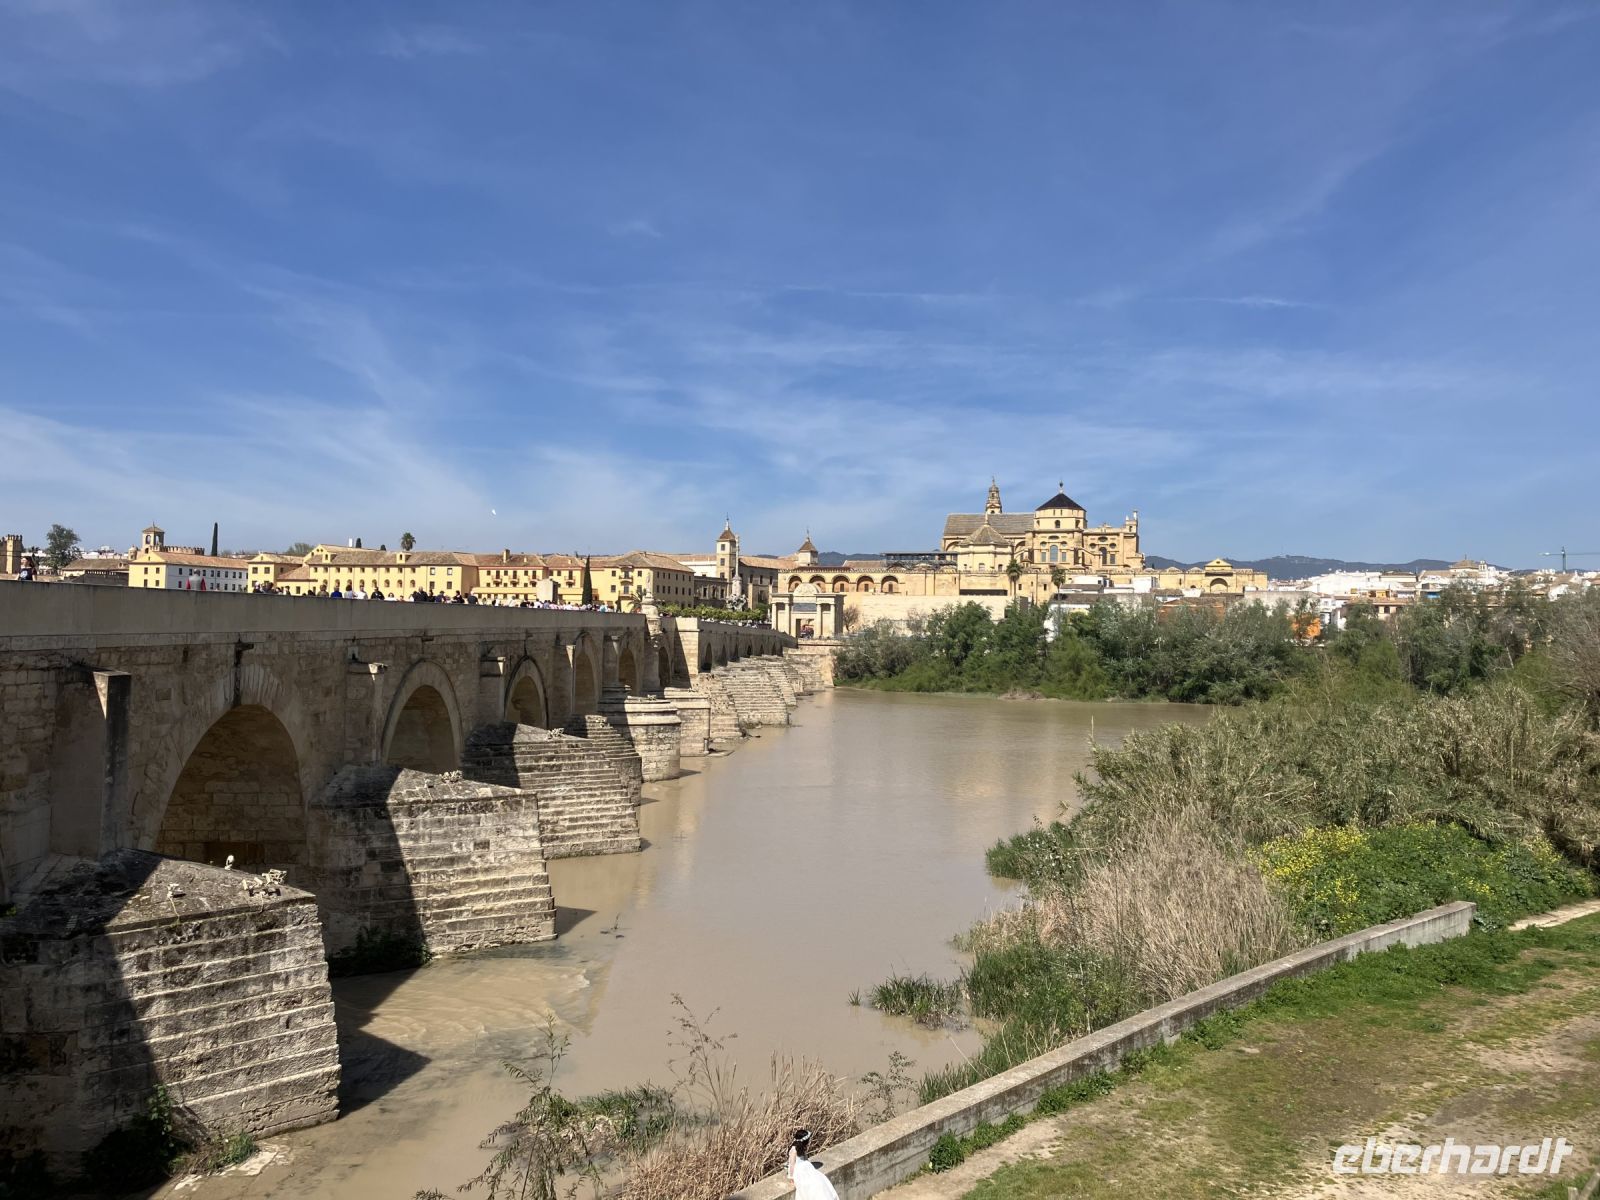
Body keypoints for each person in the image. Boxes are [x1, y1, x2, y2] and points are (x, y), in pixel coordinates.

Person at [787, 1129, 839, 1200]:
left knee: (818, 1180)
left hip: (806, 1167)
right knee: (811, 1184)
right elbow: (792, 1164)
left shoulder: (801, 1148)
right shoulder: (793, 1150)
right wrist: (791, 1177)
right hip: (800, 1170)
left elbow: (805, 1159)